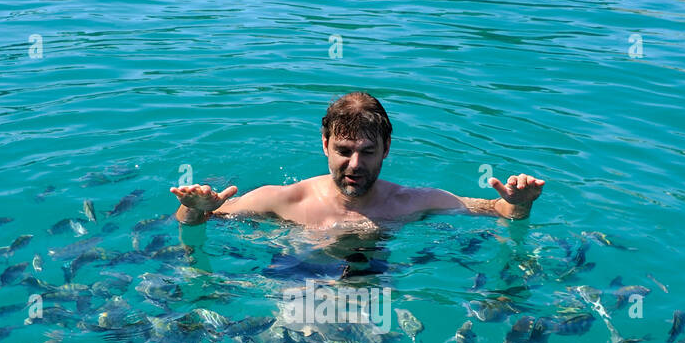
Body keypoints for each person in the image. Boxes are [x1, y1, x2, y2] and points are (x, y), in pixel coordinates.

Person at [171, 92, 544, 229]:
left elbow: (497, 211)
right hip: (297, 282)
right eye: (344, 151)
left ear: (386, 148)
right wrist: (193, 209)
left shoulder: (412, 202)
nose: (354, 165)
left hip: (374, 289)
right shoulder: (284, 200)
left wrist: (519, 205)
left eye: (367, 152)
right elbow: (202, 220)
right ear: (325, 145)